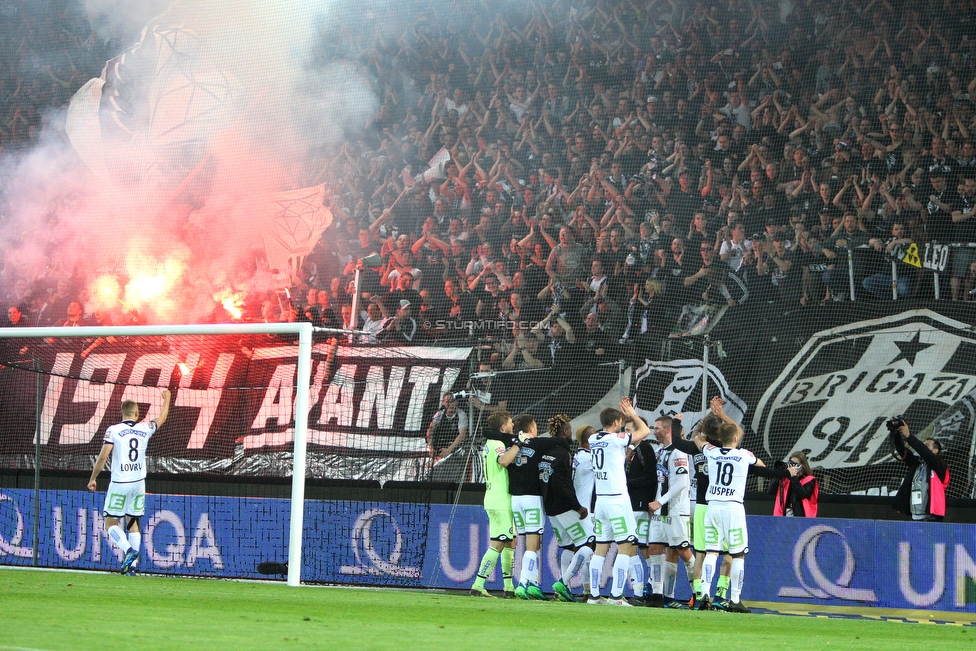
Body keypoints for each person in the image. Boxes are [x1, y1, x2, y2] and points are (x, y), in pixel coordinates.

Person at [688, 397, 783, 613]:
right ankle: (734, 599)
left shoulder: (710, 452)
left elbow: (696, 438)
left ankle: (704, 595)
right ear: (736, 438)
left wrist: (706, 421)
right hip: (733, 508)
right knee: (737, 554)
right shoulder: (743, 455)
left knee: (711, 552)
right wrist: (721, 414)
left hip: (712, 507)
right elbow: (763, 466)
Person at [87, 388, 172, 574]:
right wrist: (167, 399)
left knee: (110, 524)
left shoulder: (114, 430)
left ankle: (129, 551)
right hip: (139, 483)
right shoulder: (144, 428)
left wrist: (93, 478)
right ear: (136, 413)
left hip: (120, 483)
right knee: (133, 522)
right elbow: (162, 418)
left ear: (122, 413)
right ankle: (133, 568)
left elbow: (102, 457)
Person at [587, 397, 652, 606]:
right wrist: (633, 414)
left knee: (600, 549)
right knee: (625, 546)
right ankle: (616, 597)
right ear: (616, 423)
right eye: (621, 421)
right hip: (617, 500)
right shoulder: (617, 439)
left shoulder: (593, 439)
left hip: (601, 502)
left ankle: (594, 596)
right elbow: (645, 432)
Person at [540, 414, 593, 603]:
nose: (570, 433)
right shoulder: (563, 453)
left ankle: (563, 591)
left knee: (568, 546)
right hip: (564, 507)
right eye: (569, 429)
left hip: (551, 508)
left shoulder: (548, 452)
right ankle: (563, 582)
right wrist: (577, 507)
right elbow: (562, 484)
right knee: (588, 544)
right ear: (565, 431)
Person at [646, 416, 695, 607]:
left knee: (683, 551)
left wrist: (660, 501)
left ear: (667, 430)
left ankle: (698, 591)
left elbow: (682, 482)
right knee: (655, 549)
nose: (654, 431)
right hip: (660, 512)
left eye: (657, 428)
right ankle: (659, 595)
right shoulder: (659, 452)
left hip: (676, 510)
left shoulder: (679, 453)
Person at [470, 410, 518, 598]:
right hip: (500, 500)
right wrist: (518, 445)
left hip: (495, 497)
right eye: (511, 422)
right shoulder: (498, 444)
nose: (513, 425)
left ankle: (509, 587)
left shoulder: (490, 444)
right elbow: (504, 461)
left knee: (510, 540)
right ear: (503, 427)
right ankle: (478, 584)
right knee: (498, 543)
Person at [889, 419, 950, 522]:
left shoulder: (939, 465)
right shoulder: (917, 463)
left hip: (931, 516)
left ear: (936, 450)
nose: (923, 447)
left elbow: (924, 452)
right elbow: (902, 451)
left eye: (927, 445)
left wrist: (909, 435)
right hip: (915, 515)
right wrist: (896, 434)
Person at [426, 392, 469, 482]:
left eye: (453, 401)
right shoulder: (439, 415)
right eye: (448, 401)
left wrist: (449, 450)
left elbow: (462, 435)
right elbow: (430, 431)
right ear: (444, 403)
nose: (451, 404)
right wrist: (431, 447)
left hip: (455, 450)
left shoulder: (461, 414)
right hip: (441, 447)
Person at [771, 451, 819, 517]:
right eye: (791, 463)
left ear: (802, 465)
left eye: (795, 464)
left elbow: (803, 494)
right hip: (784, 515)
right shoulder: (785, 480)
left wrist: (793, 476)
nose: (792, 466)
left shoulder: (809, 480)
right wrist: (779, 474)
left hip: (801, 517)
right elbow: (771, 491)